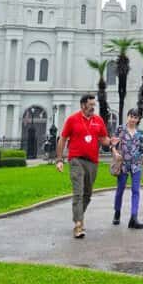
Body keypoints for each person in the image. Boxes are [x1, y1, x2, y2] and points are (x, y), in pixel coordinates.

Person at [55, 94, 111, 239]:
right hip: (76, 160)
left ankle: (79, 216)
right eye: (90, 104)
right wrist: (59, 159)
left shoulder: (98, 120)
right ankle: (78, 225)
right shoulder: (72, 120)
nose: (93, 107)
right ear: (82, 105)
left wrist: (112, 142)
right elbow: (63, 139)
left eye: (94, 104)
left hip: (93, 162)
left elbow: (104, 139)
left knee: (88, 194)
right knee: (78, 192)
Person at [112, 108, 143, 229]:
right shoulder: (120, 129)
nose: (133, 119)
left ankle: (134, 217)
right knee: (120, 189)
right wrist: (115, 153)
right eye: (131, 116)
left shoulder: (141, 133)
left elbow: (142, 151)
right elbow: (113, 144)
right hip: (123, 165)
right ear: (127, 117)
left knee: (136, 190)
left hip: (136, 165)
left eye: (135, 117)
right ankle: (117, 212)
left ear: (138, 119)